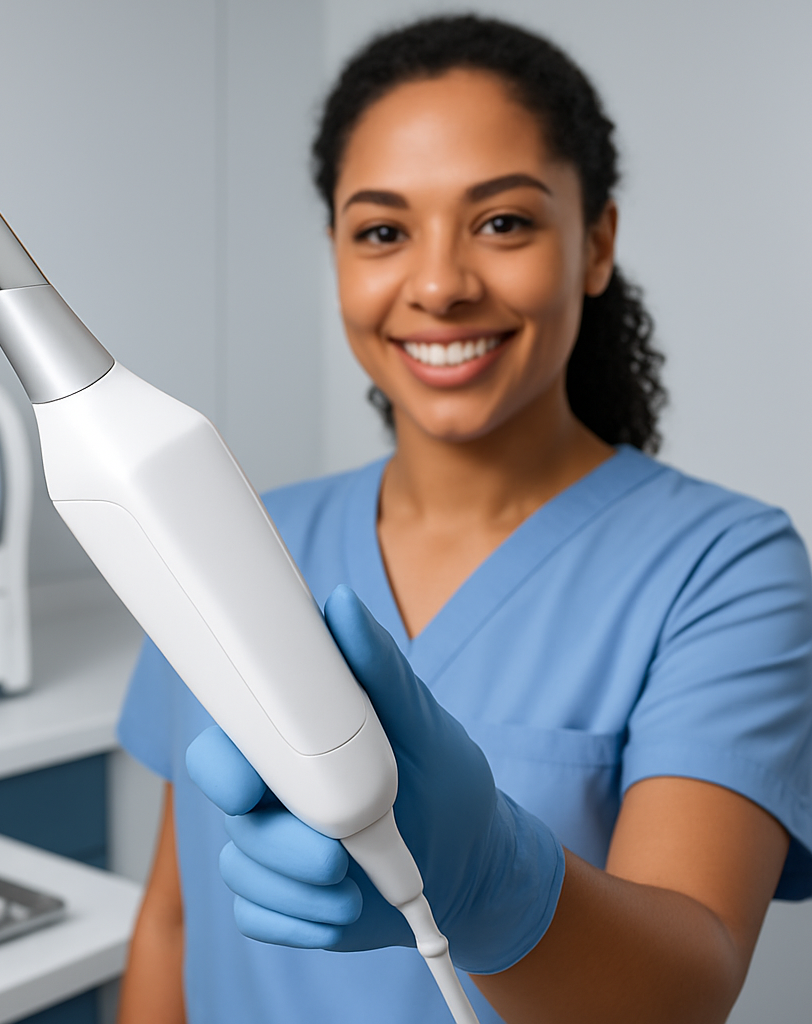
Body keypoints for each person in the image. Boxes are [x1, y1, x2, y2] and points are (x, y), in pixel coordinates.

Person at [116, 14, 812, 1024]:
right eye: (383, 231)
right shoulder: (229, 542)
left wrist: (494, 882)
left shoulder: (725, 567)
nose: (438, 285)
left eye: (501, 222)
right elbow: (174, 925)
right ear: (338, 257)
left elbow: (685, 988)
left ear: (595, 243)